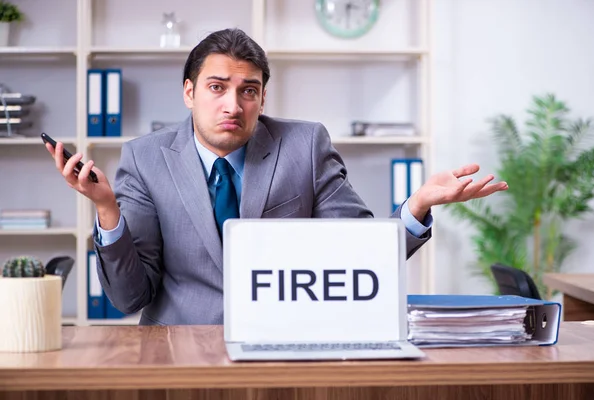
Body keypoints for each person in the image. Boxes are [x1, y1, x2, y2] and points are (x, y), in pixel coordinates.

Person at [46, 28, 508, 325]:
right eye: (217, 88)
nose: (233, 105)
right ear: (189, 93)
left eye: (249, 91)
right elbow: (130, 298)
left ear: (262, 99)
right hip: (178, 353)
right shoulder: (145, 159)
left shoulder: (304, 147)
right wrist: (108, 210)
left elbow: (360, 252)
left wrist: (417, 205)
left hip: (287, 349)